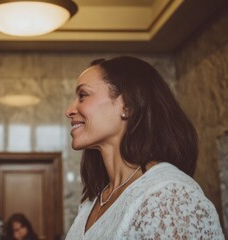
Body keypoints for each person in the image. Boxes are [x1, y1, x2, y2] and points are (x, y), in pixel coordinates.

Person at [64, 56, 224, 239]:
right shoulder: (92, 202)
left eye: (83, 95)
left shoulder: (168, 197)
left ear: (127, 106)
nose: (69, 110)